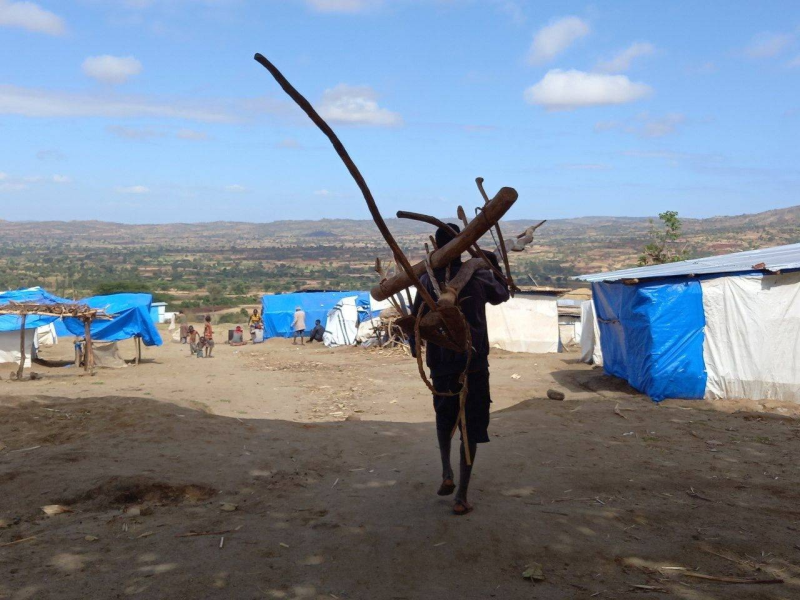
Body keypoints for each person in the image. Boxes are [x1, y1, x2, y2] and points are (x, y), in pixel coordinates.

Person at [410, 224, 509, 516]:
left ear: (438, 248)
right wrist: (493, 266)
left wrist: (417, 349)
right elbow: (502, 293)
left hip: (440, 364)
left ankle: (445, 472)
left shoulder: (427, 280)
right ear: (463, 246)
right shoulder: (477, 275)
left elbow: (415, 320)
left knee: (444, 418)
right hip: (474, 363)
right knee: (470, 426)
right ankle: (461, 496)